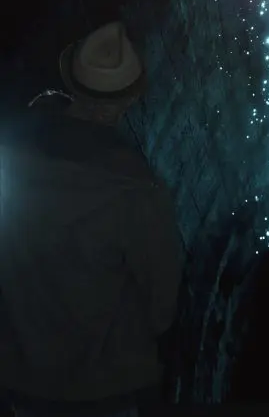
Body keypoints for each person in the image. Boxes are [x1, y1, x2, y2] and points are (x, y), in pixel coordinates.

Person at [0, 22, 183, 416]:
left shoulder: (10, 158)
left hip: (21, 377)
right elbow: (162, 305)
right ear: (128, 101)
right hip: (108, 386)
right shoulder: (135, 190)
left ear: (74, 86)